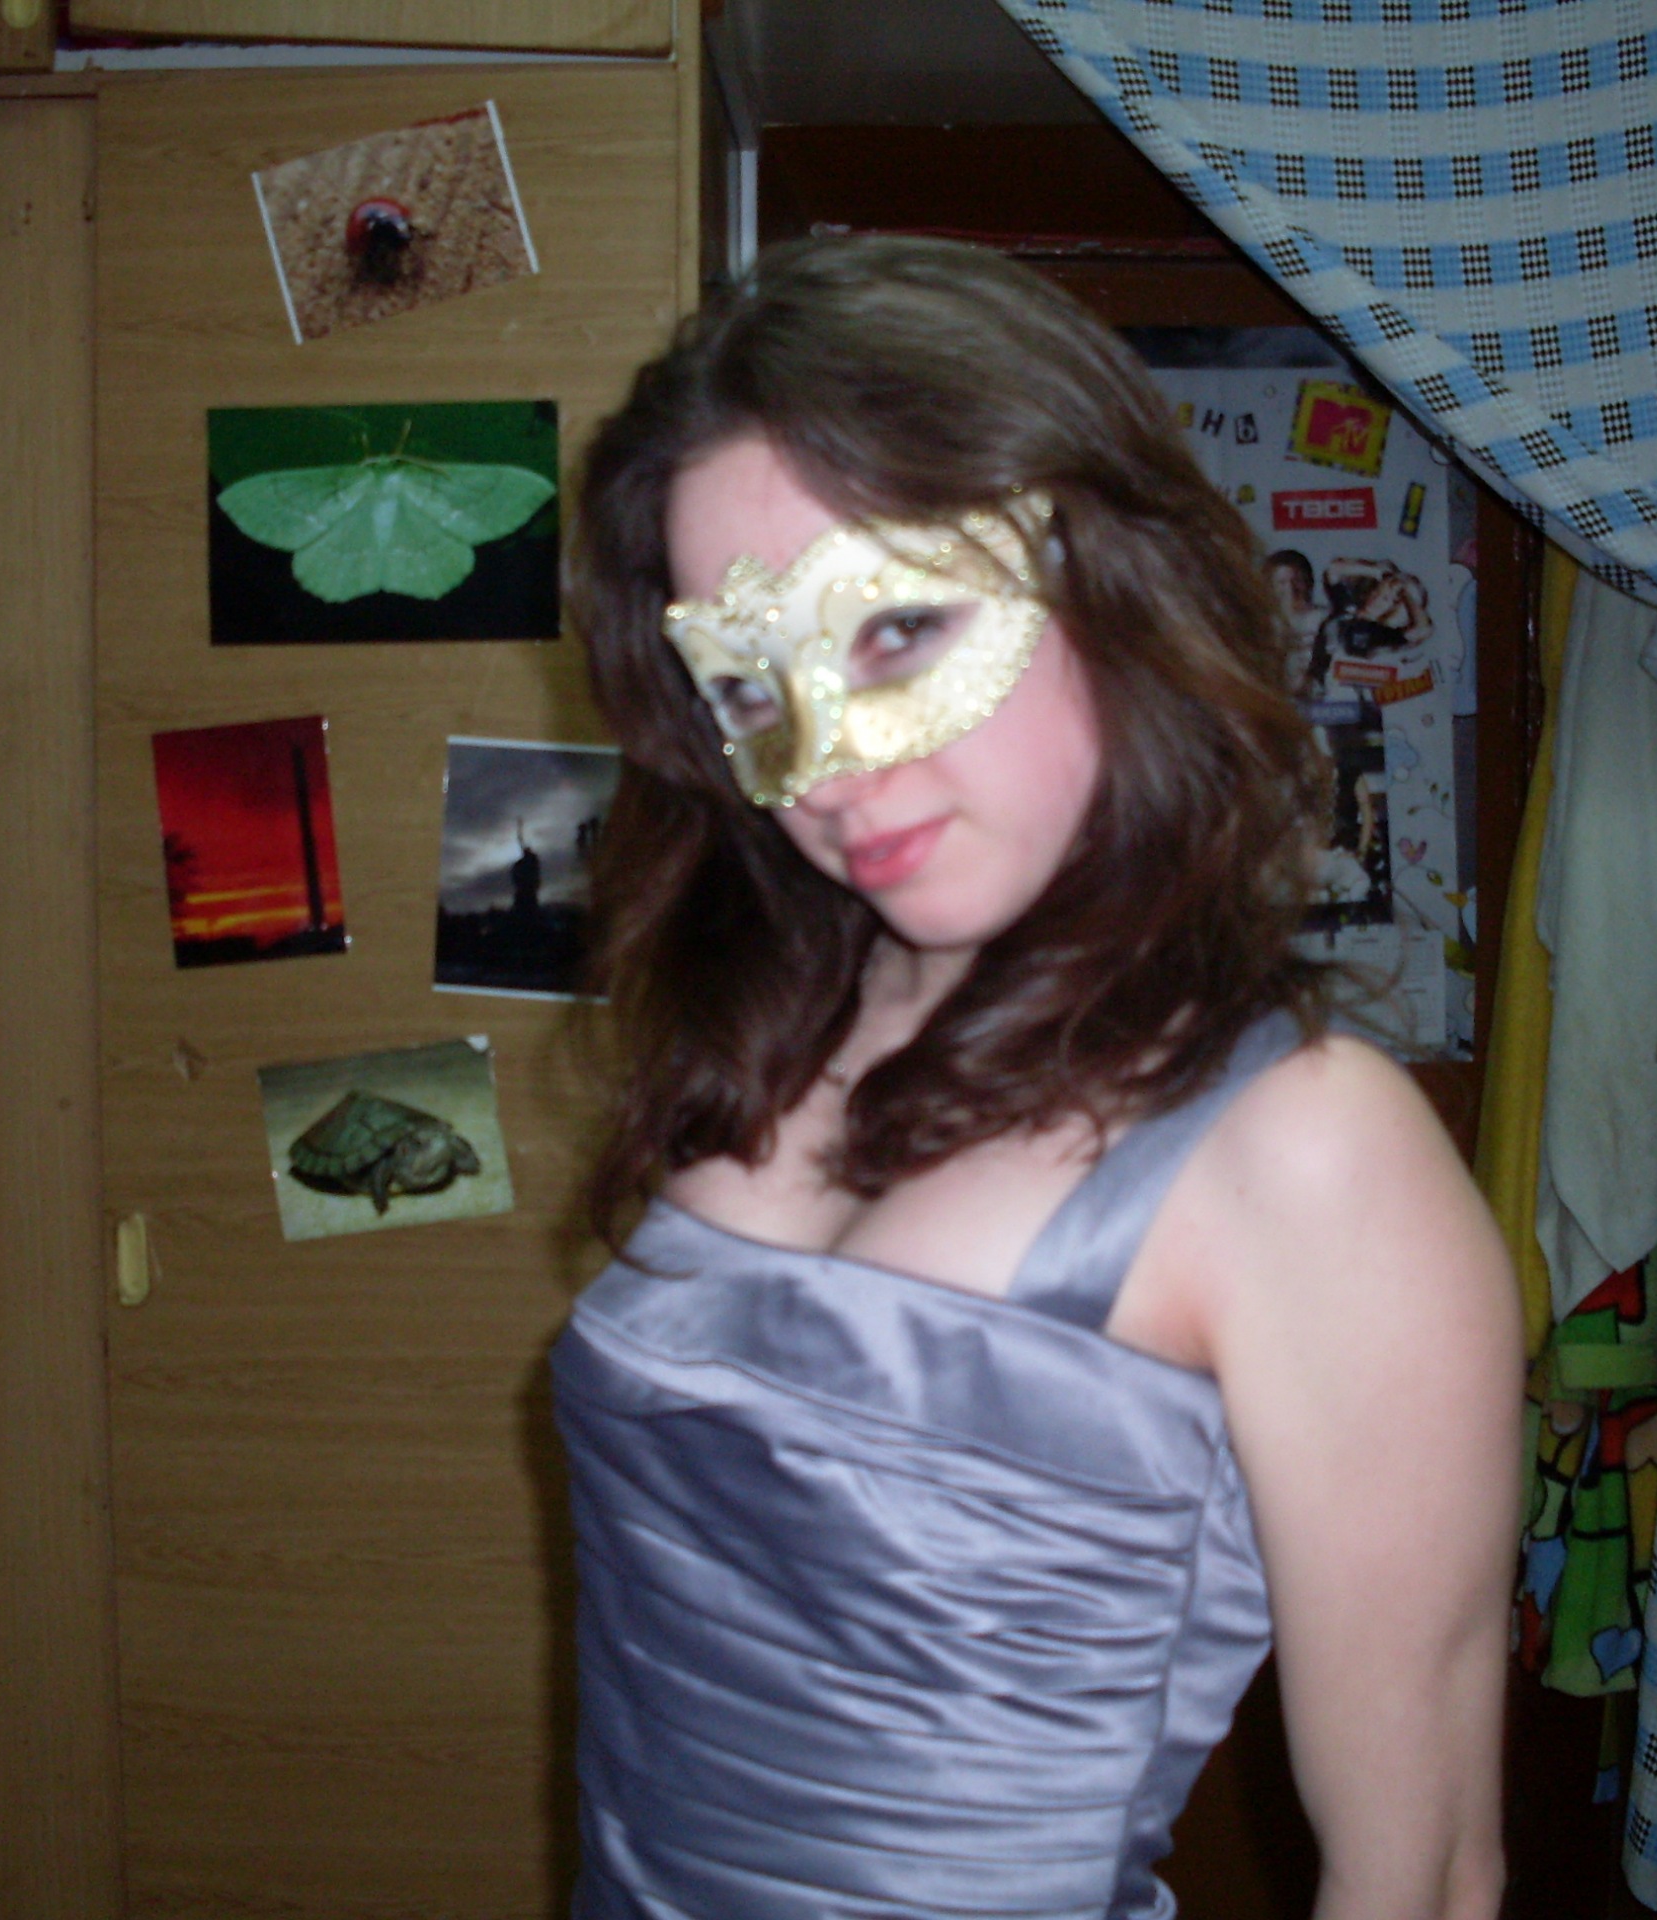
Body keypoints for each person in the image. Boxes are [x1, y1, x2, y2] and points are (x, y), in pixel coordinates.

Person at [553, 235, 1521, 1920]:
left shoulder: (1303, 1152)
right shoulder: (777, 1024)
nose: (826, 768)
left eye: (896, 629)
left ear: (1112, 582)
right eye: (750, 685)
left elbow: (1423, 1877)